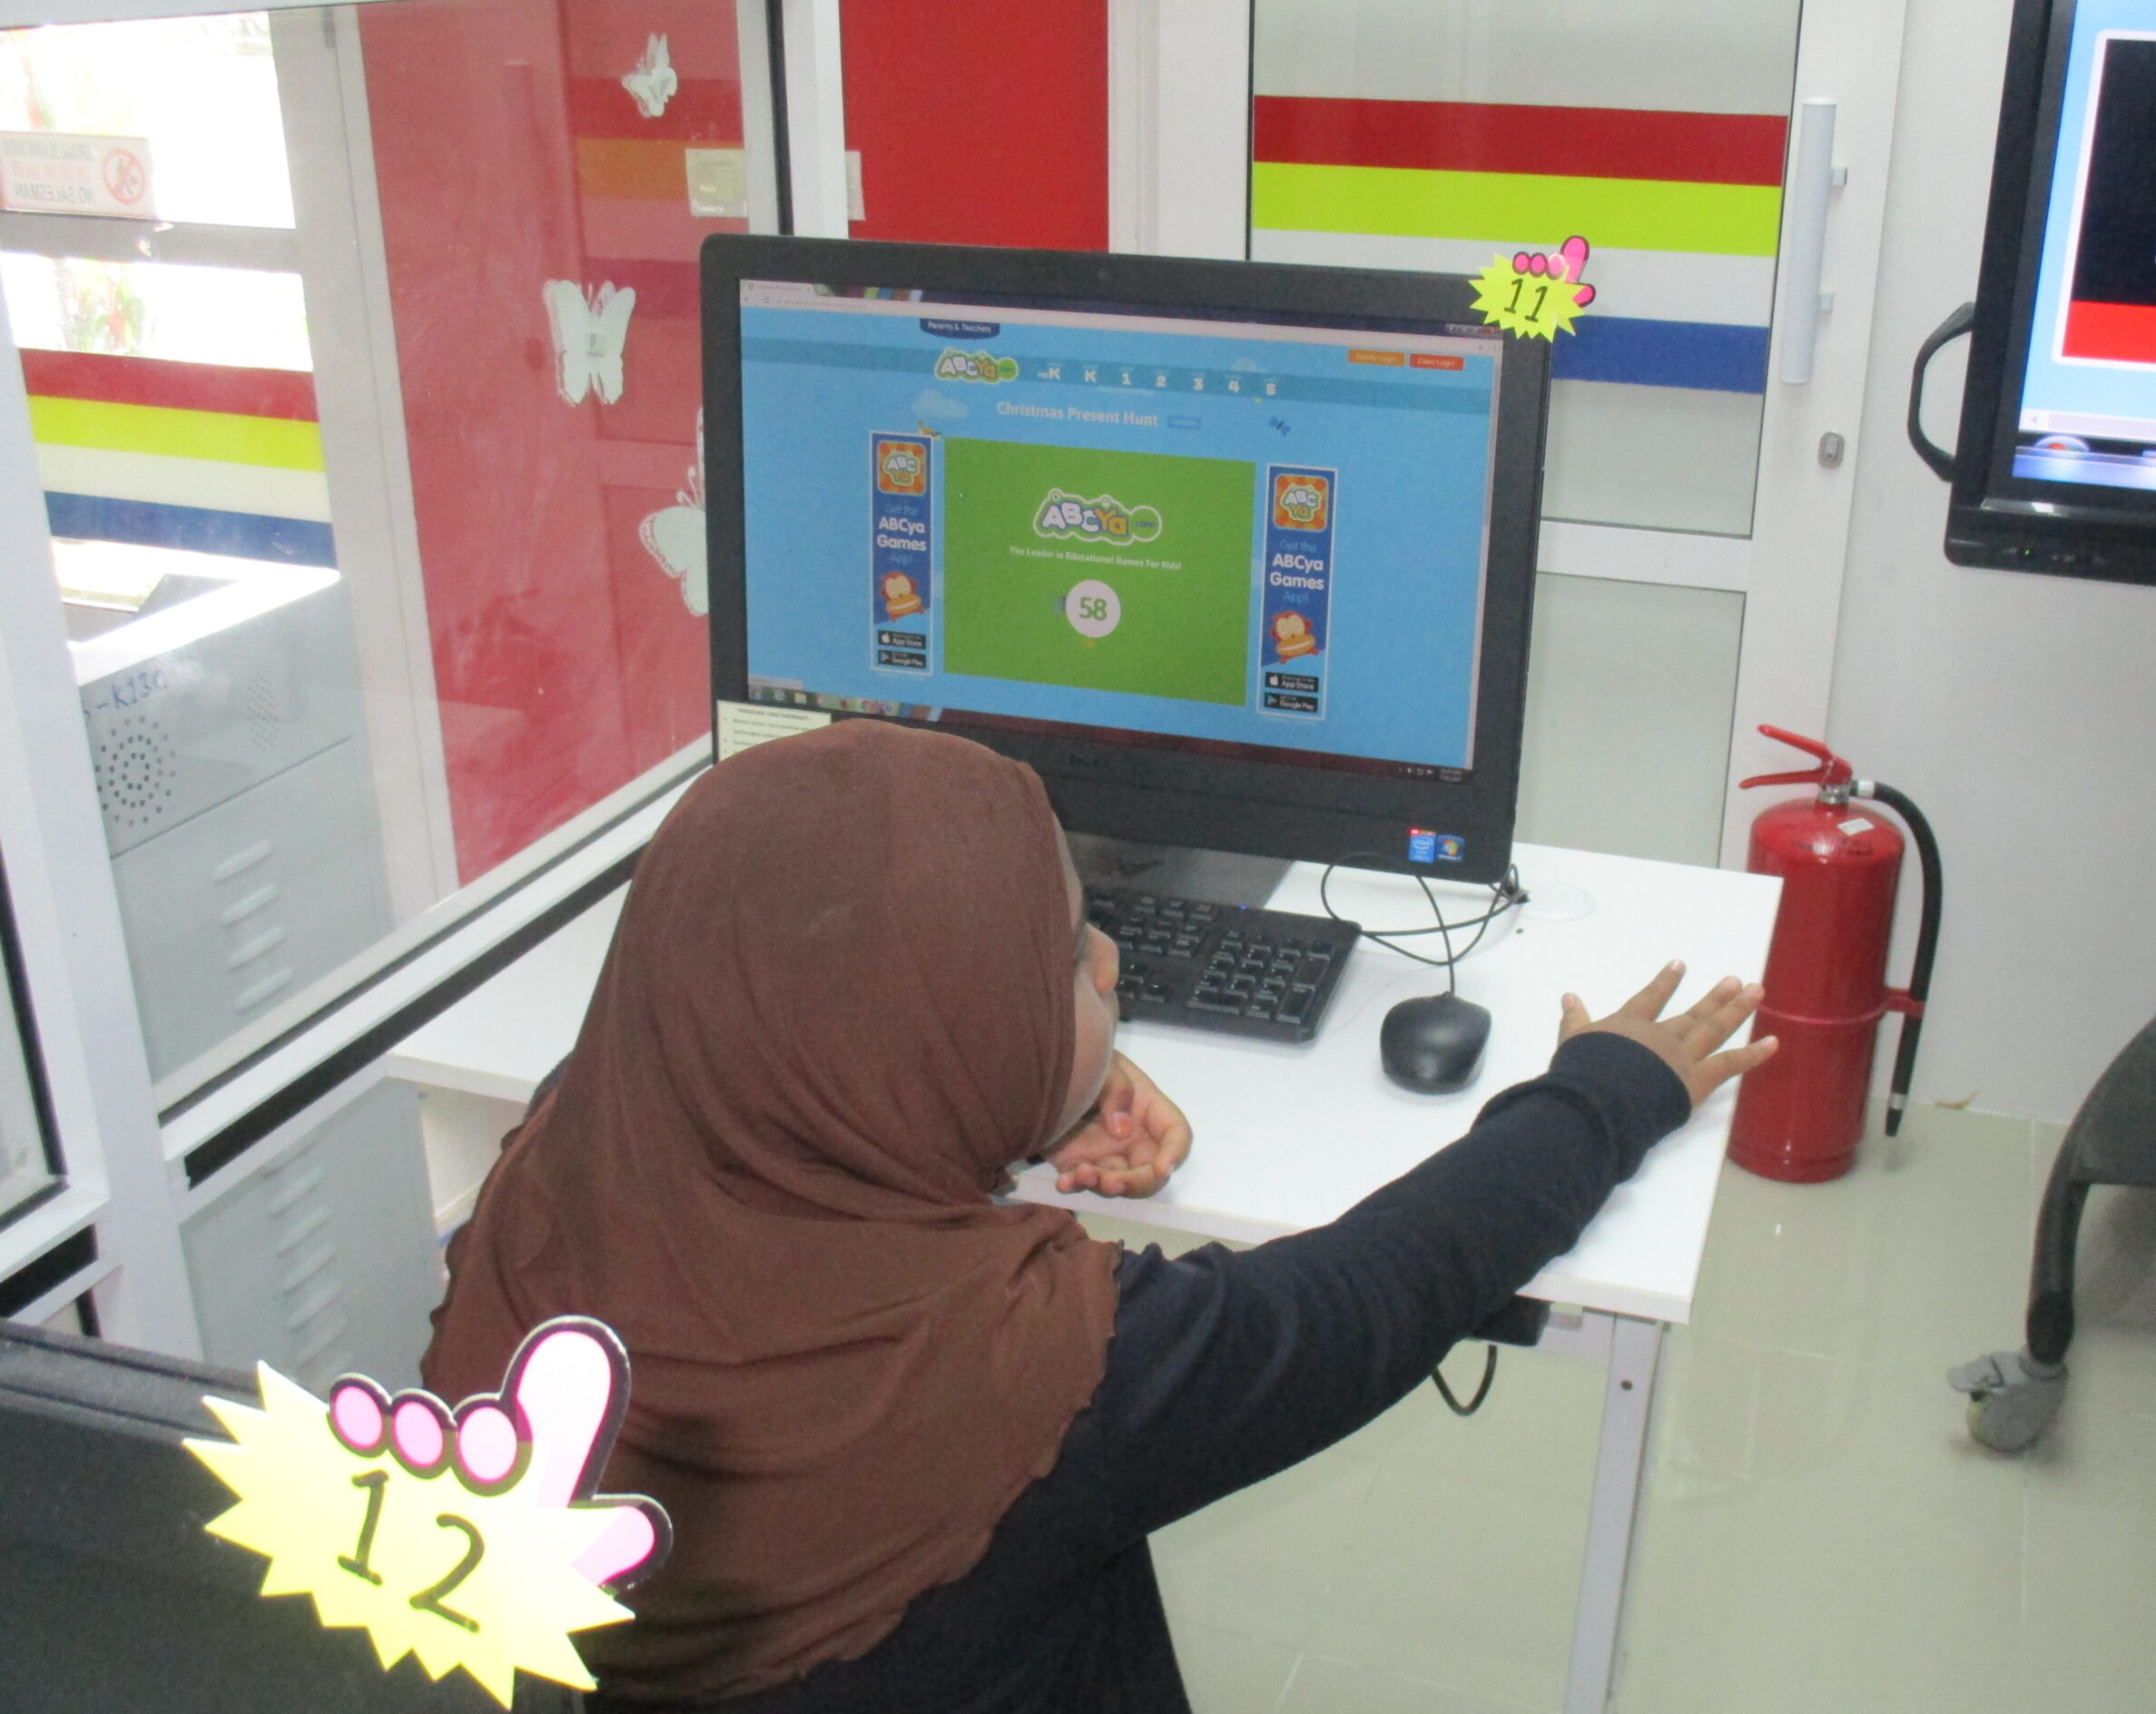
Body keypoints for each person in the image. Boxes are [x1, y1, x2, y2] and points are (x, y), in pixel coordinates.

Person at [423, 722, 1773, 1712]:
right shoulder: (1047, 1381)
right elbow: (1373, 1295)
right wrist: (1610, 1091)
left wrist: (1024, 1093)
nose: (1115, 961)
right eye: (1071, 953)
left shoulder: (539, 1186)